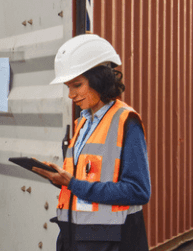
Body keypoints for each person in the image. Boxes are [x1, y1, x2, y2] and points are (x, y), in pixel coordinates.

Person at [32, 34, 152, 251]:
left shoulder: (127, 122)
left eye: (77, 85)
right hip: (75, 236)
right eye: (68, 87)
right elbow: (87, 178)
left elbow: (138, 191)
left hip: (112, 241)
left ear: (100, 80)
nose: (71, 95)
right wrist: (59, 179)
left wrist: (73, 184)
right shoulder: (82, 124)